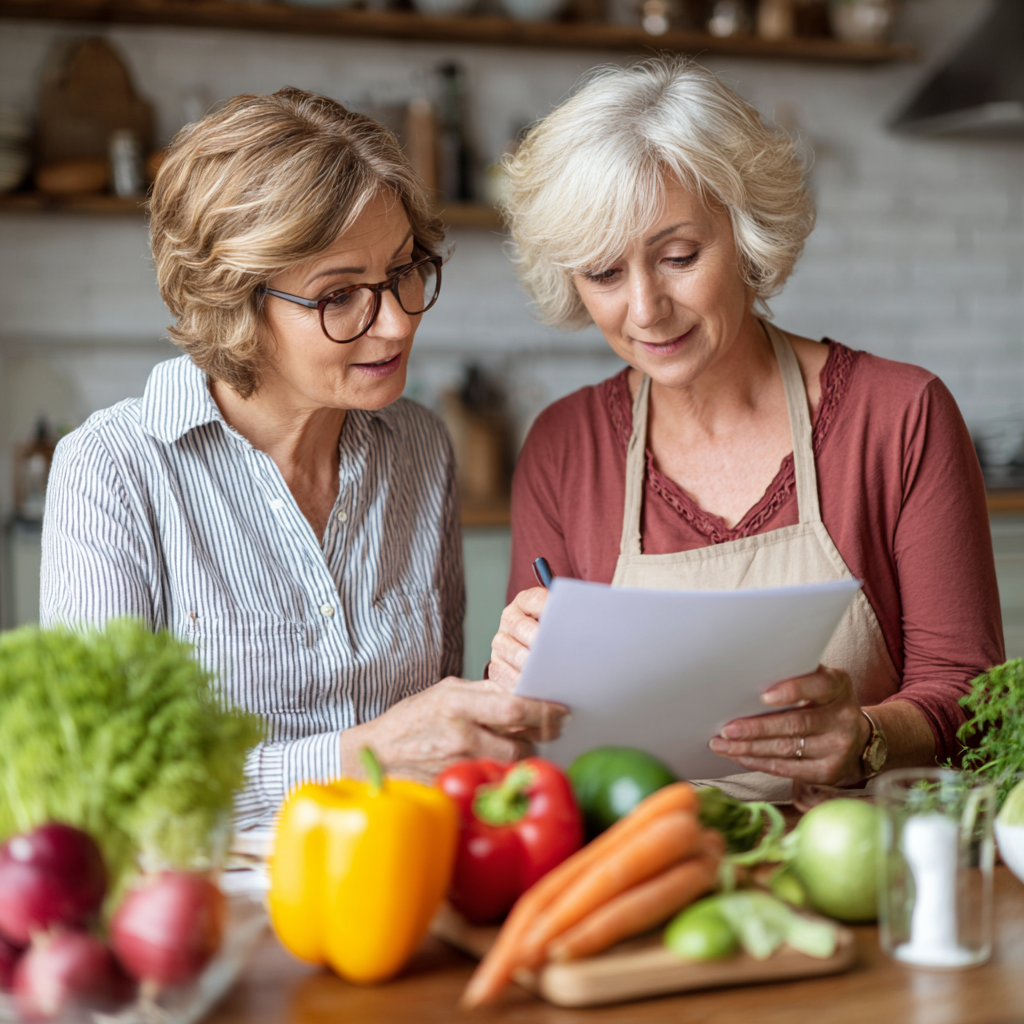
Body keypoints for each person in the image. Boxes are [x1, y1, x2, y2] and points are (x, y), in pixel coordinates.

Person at [40, 88, 563, 828]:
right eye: (340, 295)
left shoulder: (420, 447)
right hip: (212, 921)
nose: (394, 324)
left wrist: (495, 694)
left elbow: (434, 741)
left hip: (404, 892)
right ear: (235, 304)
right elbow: (100, 787)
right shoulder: (114, 471)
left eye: (405, 269)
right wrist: (350, 759)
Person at [488, 59, 1003, 805]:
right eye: (603, 273)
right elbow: (532, 749)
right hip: (641, 872)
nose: (645, 309)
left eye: (678, 257)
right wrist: (514, 677)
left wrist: (868, 736)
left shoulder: (899, 416)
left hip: (862, 879)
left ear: (746, 232)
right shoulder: (565, 447)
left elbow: (974, 700)